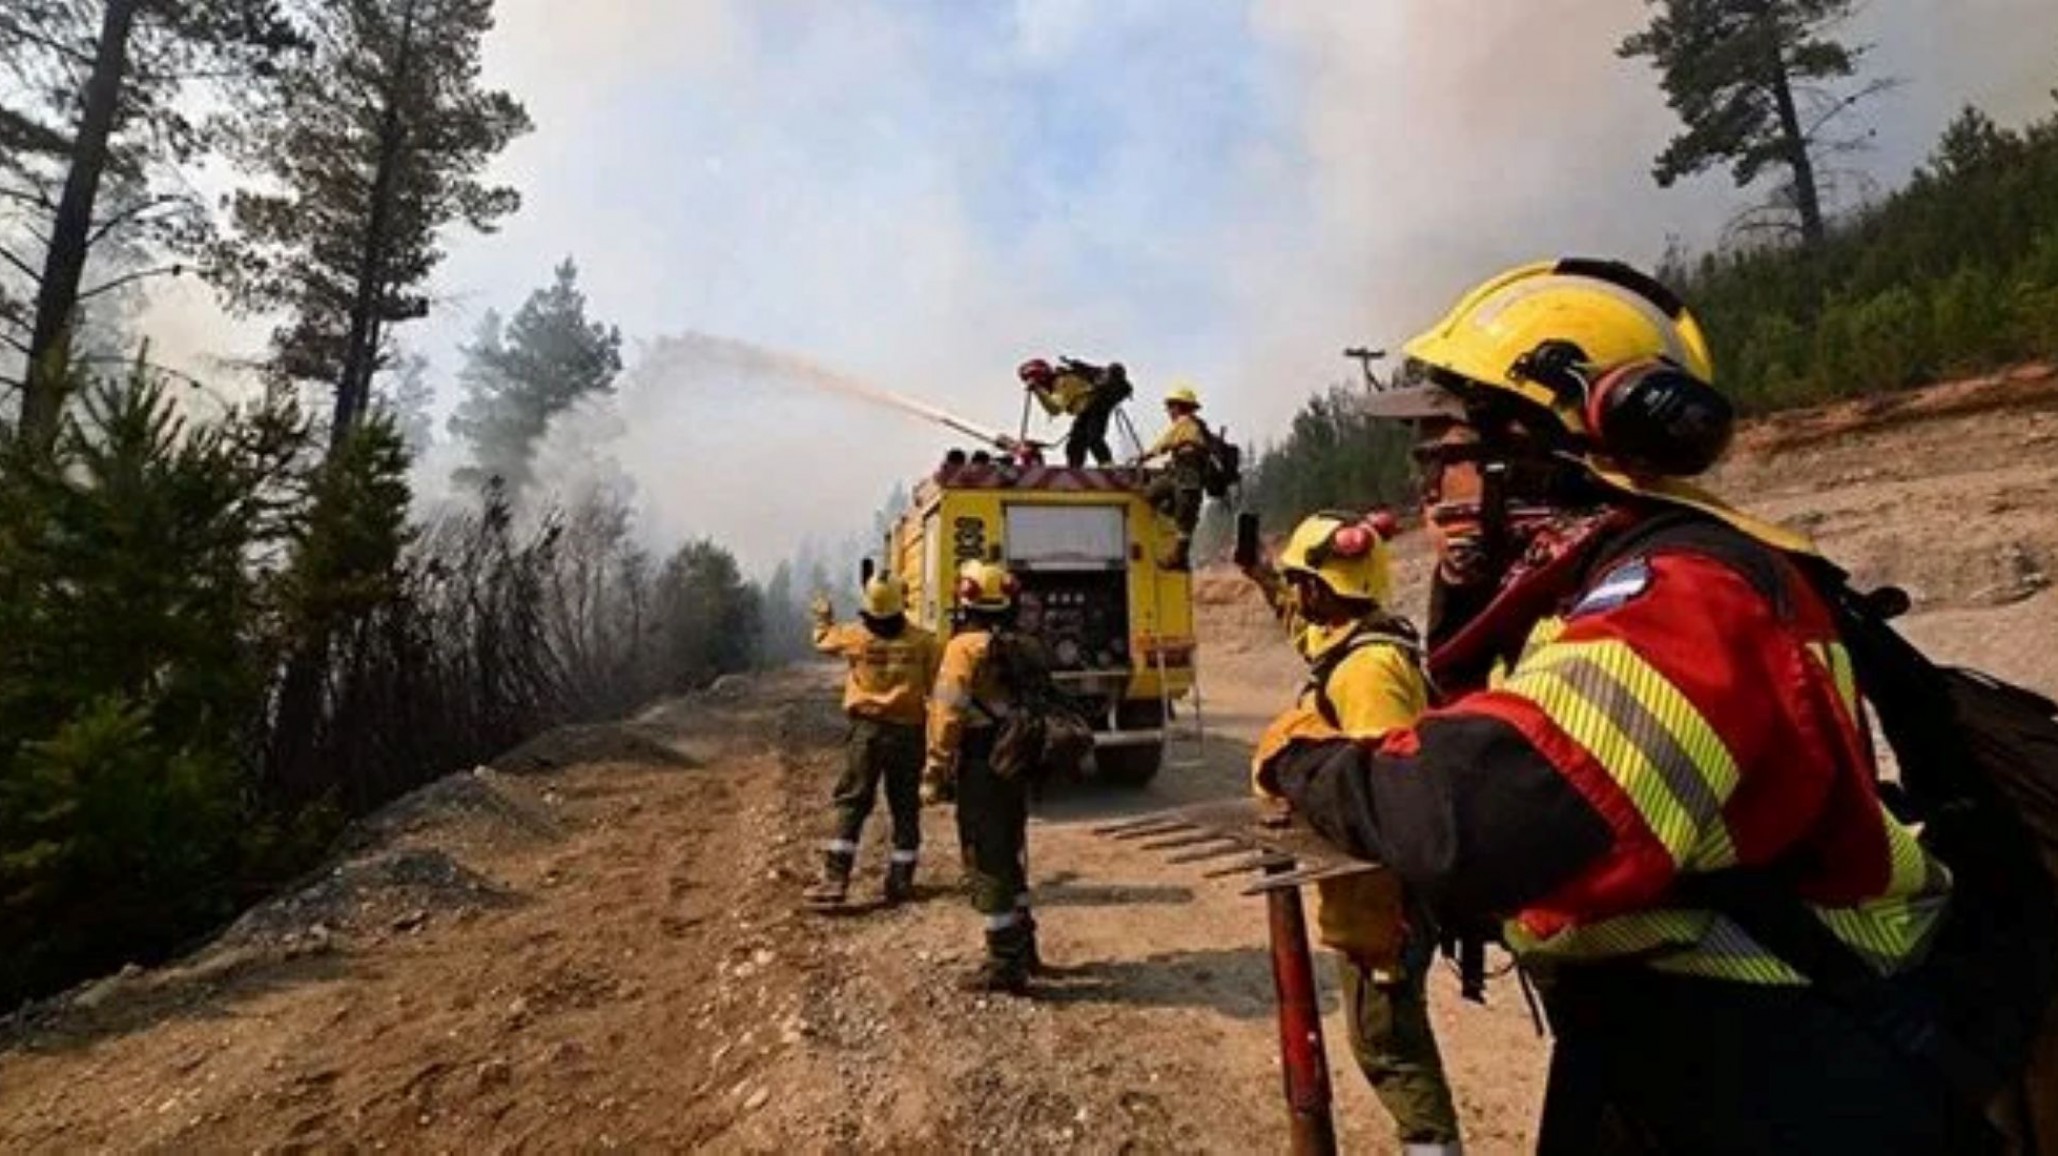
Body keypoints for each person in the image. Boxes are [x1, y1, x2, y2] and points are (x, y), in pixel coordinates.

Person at [1253, 258, 1978, 1154]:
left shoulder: (1689, 591)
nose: (1427, 488)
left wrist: (1300, 756)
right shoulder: (1597, 591)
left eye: (1444, 456)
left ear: (1539, 446)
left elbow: (1485, 813)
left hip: (1782, 1063)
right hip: (1670, 1038)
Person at [1244, 511, 1464, 1155]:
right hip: (1377, 897)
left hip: (1381, 903)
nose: (1296, 594)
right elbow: (1305, 632)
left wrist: (1382, 924)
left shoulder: (1368, 671)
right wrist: (1261, 576)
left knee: (1388, 1045)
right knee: (1384, 1039)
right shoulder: (1353, 639)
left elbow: (1382, 796)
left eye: (1300, 582)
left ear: (1321, 587)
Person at [922, 559, 1051, 993]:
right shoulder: (1025, 645)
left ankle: (1003, 963)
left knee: (987, 856)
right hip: (1017, 758)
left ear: (967, 601)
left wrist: (935, 768)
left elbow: (947, 712)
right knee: (1010, 850)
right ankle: (1024, 946)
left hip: (982, 762)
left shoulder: (964, 649)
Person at [804, 575, 942, 908]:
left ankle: (836, 879)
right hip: (909, 732)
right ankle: (900, 880)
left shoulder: (855, 636)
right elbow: (937, 690)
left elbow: (823, 641)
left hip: (867, 731)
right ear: (901, 603)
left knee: (853, 802)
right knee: (905, 806)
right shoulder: (924, 642)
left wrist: (822, 618)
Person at [1136, 383, 1210, 570]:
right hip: (1181, 473)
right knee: (1165, 503)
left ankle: (1178, 558)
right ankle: (1178, 556)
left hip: (1187, 475)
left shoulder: (1185, 423)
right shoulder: (1194, 426)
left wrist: (1146, 456)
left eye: (1170, 406)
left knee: (1183, 518)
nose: (1168, 411)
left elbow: (1165, 442)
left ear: (1179, 406)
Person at [1020, 356, 1128, 468]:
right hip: (1088, 408)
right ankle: (1075, 468)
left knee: (1093, 436)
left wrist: (1037, 390)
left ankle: (1107, 465)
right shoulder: (1062, 380)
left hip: (1096, 404)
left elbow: (1055, 409)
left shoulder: (1062, 382)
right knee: (1075, 444)